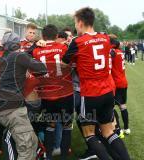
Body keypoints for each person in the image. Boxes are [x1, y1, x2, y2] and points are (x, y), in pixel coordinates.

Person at [62, 7, 130, 160]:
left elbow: (65, 62)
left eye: (75, 22)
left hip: (90, 93)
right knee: (108, 132)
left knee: (89, 134)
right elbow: (112, 47)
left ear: (80, 23)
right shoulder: (105, 37)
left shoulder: (77, 42)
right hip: (107, 91)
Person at [0, 31, 47, 160]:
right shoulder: (19, 56)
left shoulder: (3, 59)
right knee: (26, 149)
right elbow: (42, 69)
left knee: (33, 142)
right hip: (14, 110)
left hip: (5, 107)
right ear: (17, 44)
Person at [32, 24, 74, 160]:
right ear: (57, 36)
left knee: (50, 126)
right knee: (67, 126)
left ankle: (48, 156)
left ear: (43, 36)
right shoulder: (63, 48)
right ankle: (63, 157)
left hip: (47, 95)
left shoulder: (36, 51)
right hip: (65, 93)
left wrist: (36, 43)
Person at [111, 38, 130, 135]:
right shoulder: (120, 52)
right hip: (123, 82)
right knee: (123, 106)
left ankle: (118, 129)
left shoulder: (113, 52)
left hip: (116, 83)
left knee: (111, 106)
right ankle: (126, 128)